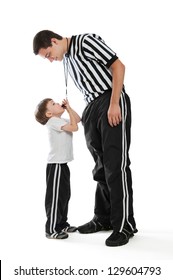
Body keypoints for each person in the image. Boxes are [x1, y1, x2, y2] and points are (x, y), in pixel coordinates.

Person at [33, 30, 137, 246]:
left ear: (54, 41)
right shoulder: (67, 60)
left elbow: (118, 66)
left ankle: (124, 224)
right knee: (100, 168)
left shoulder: (85, 41)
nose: (51, 60)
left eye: (49, 54)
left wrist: (114, 103)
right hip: (92, 107)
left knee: (115, 165)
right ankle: (103, 218)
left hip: (110, 100)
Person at [35, 98, 81, 239]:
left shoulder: (60, 121)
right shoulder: (53, 122)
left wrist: (69, 108)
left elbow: (77, 119)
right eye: (53, 104)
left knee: (64, 195)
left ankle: (61, 223)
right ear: (49, 114)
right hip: (56, 165)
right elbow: (75, 128)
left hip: (63, 164)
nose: (57, 103)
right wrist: (67, 109)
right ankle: (52, 228)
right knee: (55, 197)